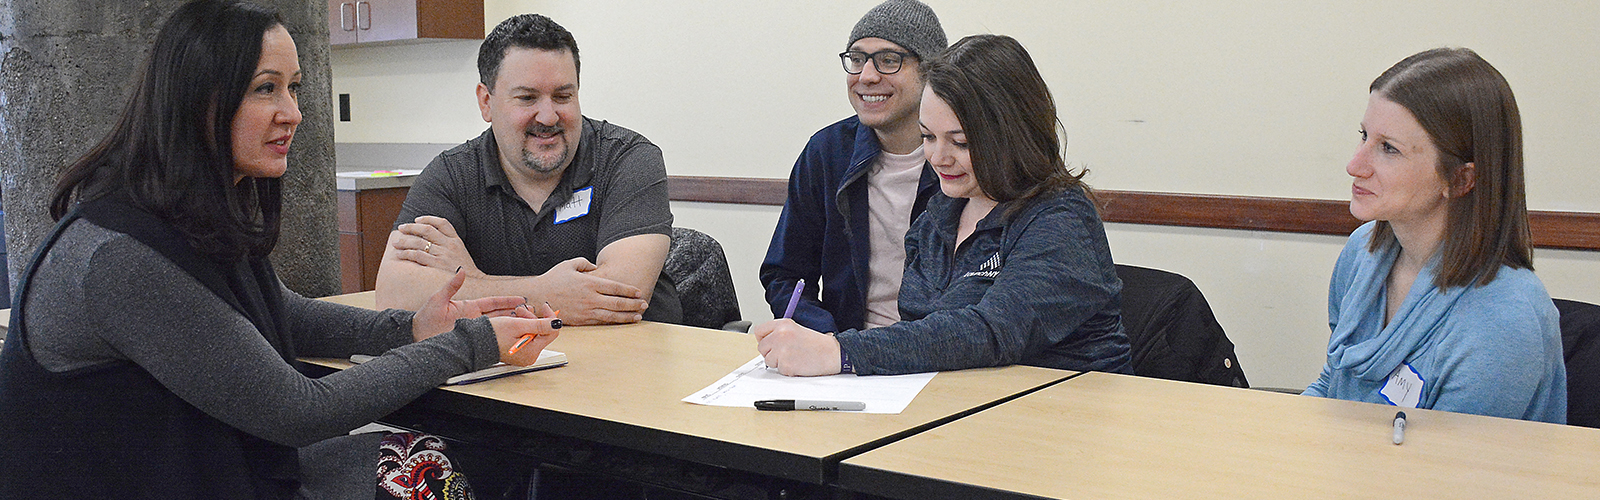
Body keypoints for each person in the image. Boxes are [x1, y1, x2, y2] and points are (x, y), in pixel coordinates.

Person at [0, 1, 561, 497]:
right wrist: (469, 344)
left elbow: (281, 309)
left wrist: (412, 327)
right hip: (158, 479)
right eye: (266, 88)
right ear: (200, 101)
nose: (292, 112)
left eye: (294, 88)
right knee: (437, 476)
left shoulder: (182, 212)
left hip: (207, 465)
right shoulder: (120, 258)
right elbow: (296, 411)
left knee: (483, 461)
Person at [753, 34, 1133, 376]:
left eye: (961, 142)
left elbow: (992, 331)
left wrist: (840, 352)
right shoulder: (940, 214)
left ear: (1013, 136)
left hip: (1066, 417)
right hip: (959, 411)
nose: (938, 157)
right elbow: (923, 330)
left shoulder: (1060, 217)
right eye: (928, 137)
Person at [1303, 48, 1566, 423]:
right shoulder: (1362, 251)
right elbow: (1333, 381)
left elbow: (1444, 473)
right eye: (1364, 136)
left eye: (1388, 149)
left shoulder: (1505, 319)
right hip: (1354, 468)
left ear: (1460, 179)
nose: (1355, 165)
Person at [374, 13, 680, 326]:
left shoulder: (627, 159)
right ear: (486, 102)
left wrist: (470, 284)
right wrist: (547, 294)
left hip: (631, 363)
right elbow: (393, 294)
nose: (548, 116)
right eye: (527, 97)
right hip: (508, 368)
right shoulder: (451, 176)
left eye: (563, 96)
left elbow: (620, 296)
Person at [759, 0, 946, 334]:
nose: (867, 77)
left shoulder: (962, 159)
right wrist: (824, 335)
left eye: (889, 61)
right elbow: (784, 274)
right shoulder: (828, 152)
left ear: (929, 71)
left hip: (937, 352)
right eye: (857, 60)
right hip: (844, 353)